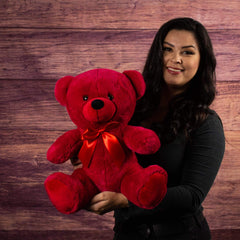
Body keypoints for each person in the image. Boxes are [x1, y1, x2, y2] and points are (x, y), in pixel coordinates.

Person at [72, 18, 225, 240]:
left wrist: (125, 199)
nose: (176, 59)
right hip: (127, 234)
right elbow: (112, 161)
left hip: (181, 235)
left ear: (202, 61)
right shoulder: (128, 110)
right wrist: (88, 156)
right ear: (157, 54)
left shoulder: (206, 122)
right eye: (167, 49)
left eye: (188, 52)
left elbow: (192, 195)